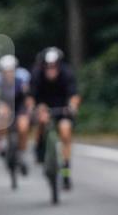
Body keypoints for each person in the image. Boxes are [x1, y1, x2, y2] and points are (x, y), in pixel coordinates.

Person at [30, 47, 80, 190]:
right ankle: (39, 147)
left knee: (65, 131)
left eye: (54, 66)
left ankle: (65, 170)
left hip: (62, 107)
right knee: (41, 120)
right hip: (44, 105)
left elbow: (74, 95)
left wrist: (72, 106)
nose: (51, 70)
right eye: (48, 67)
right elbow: (31, 97)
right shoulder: (37, 74)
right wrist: (35, 108)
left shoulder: (67, 73)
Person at [0, 54, 31, 175]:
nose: (8, 73)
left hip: (19, 107)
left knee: (23, 126)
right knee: (2, 114)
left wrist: (29, 110)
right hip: (4, 106)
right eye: (6, 71)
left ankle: (21, 153)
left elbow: (28, 98)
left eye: (11, 70)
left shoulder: (22, 79)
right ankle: (2, 142)